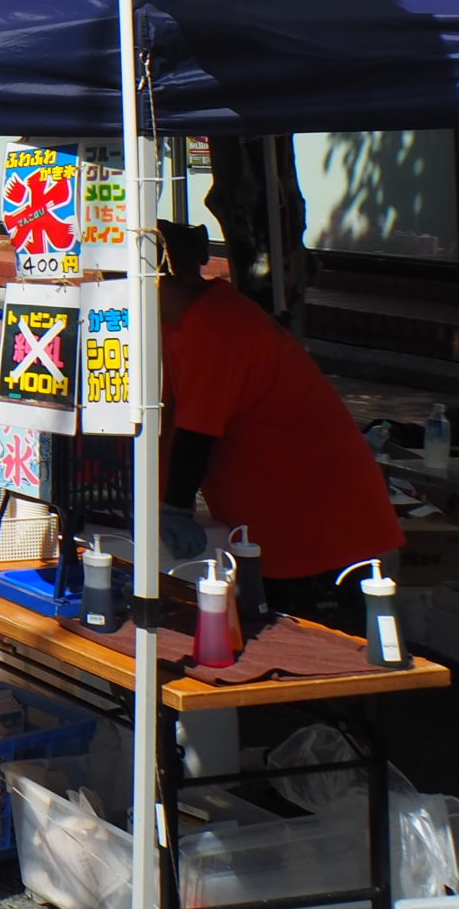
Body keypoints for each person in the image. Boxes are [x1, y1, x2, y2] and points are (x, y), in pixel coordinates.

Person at [158, 221, 403, 626]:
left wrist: (172, 507)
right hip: (282, 530)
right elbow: (169, 416)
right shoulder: (184, 323)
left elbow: (195, 434)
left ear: (163, 278)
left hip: (326, 535)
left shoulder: (216, 328)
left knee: (323, 654)